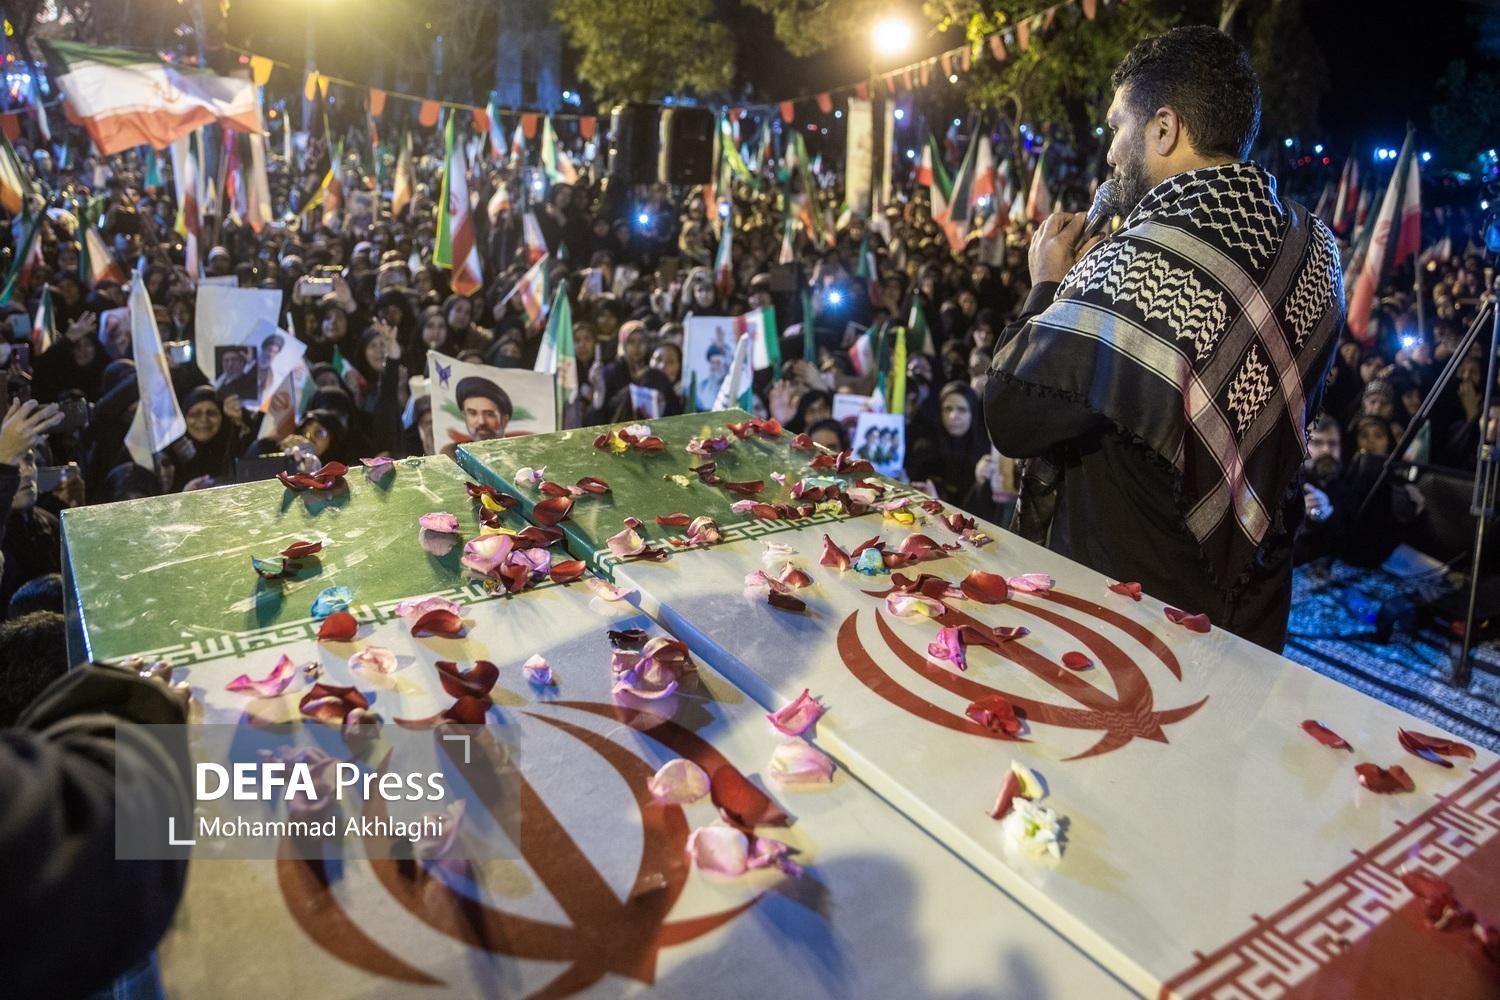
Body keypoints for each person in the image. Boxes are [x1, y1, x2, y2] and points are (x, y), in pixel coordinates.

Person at [984, 26, 1344, 651]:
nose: (1110, 154)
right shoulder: (1316, 249)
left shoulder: (1133, 264)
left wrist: (1048, 286)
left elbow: (1011, 415)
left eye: (1117, 128)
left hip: (1134, 616)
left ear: (1164, 129)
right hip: (1252, 608)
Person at [455, 376, 512, 440]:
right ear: (464, 417)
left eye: (489, 414)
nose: (481, 422)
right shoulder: (454, 447)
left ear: (505, 420)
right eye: (472, 413)